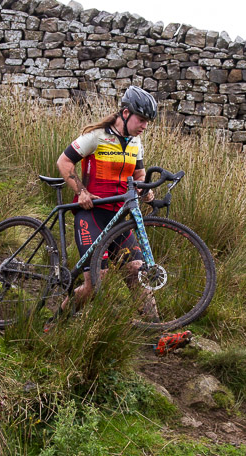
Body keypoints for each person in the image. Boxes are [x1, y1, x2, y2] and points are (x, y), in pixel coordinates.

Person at [54, 86, 159, 317]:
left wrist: (145, 190)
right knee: (95, 282)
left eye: (147, 122)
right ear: (125, 113)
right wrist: (81, 191)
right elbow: (64, 162)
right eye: (141, 120)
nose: (144, 126)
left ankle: (156, 330)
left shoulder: (135, 142)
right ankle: (55, 322)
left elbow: (139, 176)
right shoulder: (97, 136)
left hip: (118, 218)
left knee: (138, 272)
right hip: (91, 215)